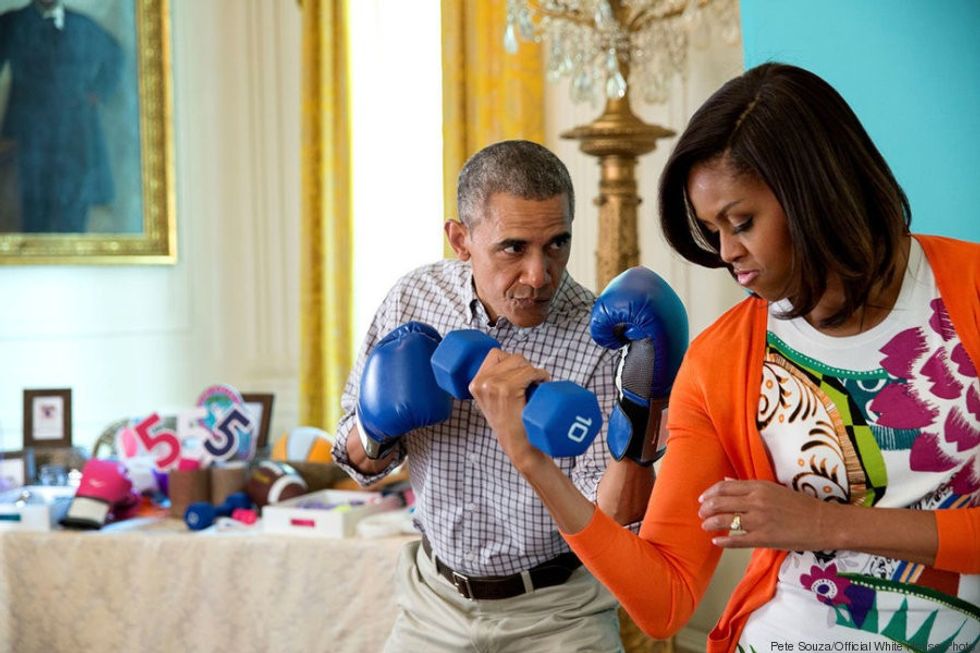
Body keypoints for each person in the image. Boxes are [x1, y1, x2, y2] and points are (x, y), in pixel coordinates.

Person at [472, 63, 980, 652]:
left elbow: (804, 522)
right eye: (713, 230)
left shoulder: (965, 293)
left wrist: (821, 523)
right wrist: (536, 467)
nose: (727, 253)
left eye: (742, 223)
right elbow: (665, 597)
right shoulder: (722, 360)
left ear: (815, 191)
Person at [331, 140, 657, 652]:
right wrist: (375, 427)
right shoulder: (415, 298)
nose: (539, 275)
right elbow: (353, 462)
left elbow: (615, 520)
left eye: (557, 244)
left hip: (560, 615)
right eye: (514, 248)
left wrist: (646, 402)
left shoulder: (601, 337)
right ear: (461, 240)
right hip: (432, 606)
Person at [0, 0, 122, 233]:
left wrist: (99, 91)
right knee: (33, 204)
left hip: (74, 132)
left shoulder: (82, 25)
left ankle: (73, 258)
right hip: (29, 133)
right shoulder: (11, 24)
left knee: (74, 202)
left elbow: (115, 55)